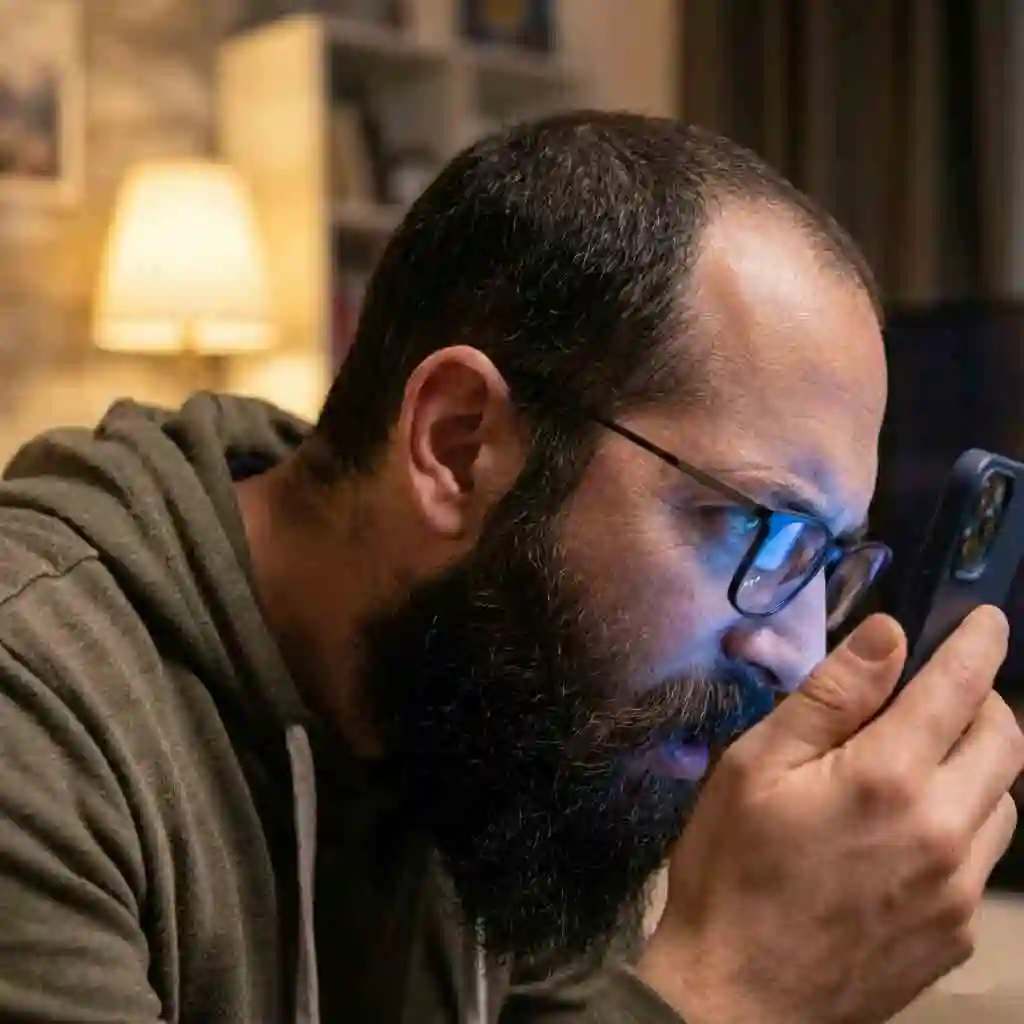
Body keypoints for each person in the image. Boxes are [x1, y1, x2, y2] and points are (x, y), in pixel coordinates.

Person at [0, 111, 1019, 1024]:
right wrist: (735, 989)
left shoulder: (498, 711)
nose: (797, 654)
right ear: (456, 444)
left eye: (822, 560)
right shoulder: (35, 718)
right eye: (752, 527)